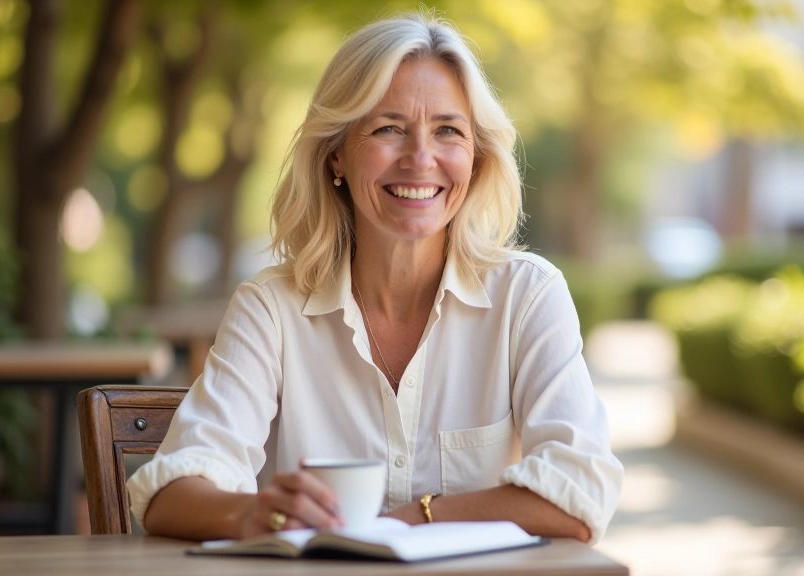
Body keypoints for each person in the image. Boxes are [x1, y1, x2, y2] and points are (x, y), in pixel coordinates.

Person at [128, 11, 623, 544]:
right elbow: (170, 495)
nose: (420, 158)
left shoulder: (528, 297)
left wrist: (411, 518)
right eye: (389, 128)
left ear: (475, 159)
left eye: (448, 131)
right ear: (336, 154)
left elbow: (578, 497)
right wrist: (252, 515)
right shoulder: (271, 307)